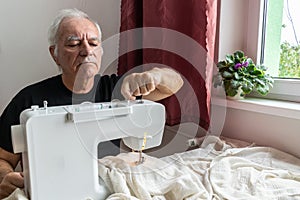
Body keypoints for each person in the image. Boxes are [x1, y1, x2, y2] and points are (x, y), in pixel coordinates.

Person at [0, 8, 183, 198]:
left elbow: (175, 83)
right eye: (74, 43)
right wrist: (6, 177)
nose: (87, 51)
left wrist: (154, 75)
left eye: (93, 43)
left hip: (107, 188)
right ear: (55, 54)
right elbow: (2, 158)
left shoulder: (119, 89)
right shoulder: (28, 100)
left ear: (101, 51)